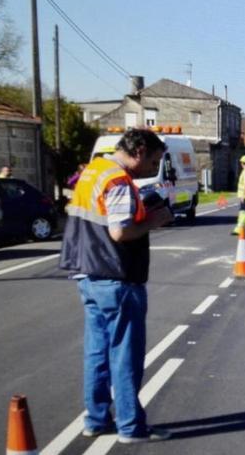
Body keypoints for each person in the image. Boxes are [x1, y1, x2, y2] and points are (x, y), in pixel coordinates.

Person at [59, 129, 174, 444]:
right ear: (138, 150)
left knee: (97, 351)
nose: (154, 167)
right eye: (153, 160)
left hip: (88, 273)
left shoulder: (94, 171)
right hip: (117, 277)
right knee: (125, 355)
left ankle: (96, 420)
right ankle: (130, 427)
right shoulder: (119, 181)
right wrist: (156, 218)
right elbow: (121, 232)